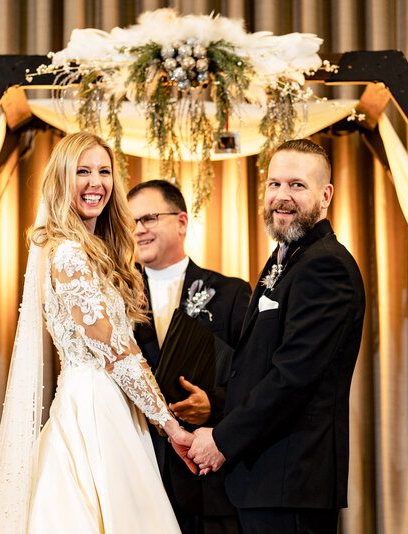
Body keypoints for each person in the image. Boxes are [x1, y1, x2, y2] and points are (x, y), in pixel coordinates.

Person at [0, 132, 195, 533]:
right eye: (82, 171)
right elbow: (117, 352)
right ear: (62, 180)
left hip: (108, 401)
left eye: (104, 171)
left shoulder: (91, 250)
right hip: (94, 407)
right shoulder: (69, 254)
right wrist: (169, 425)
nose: (96, 182)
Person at [188, 139, 366, 534]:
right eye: (274, 184)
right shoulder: (285, 258)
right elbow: (257, 366)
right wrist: (215, 404)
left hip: (292, 480)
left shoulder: (326, 267)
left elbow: (293, 377)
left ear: (326, 195)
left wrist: (222, 439)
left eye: (297, 186)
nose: (281, 197)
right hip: (265, 480)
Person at [128, 180, 252, 534]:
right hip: (138, 471)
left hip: (207, 481)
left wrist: (212, 405)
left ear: (181, 222)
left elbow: (253, 377)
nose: (138, 230)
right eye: (131, 222)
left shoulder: (230, 294)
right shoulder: (113, 295)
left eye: (148, 218)